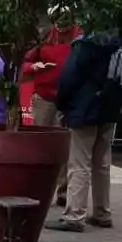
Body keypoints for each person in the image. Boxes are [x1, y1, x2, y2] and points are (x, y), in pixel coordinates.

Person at [48, 31, 122, 232]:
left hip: (84, 110)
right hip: (109, 111)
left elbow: (68, 79)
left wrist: (62, 106)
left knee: (79, 164)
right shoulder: (117, 46)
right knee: (102, 164)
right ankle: (102, 213)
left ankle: (74, 216)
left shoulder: (84, 47)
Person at [24, 14, 81, 205]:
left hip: (69, 99)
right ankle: (39, 188)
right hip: (44, 98)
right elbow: (23, 62)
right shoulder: (45, 36)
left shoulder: (80, 37)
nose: (63, 28)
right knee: (40, 145)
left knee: (66, 147)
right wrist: (34, 66)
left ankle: (63, 191)